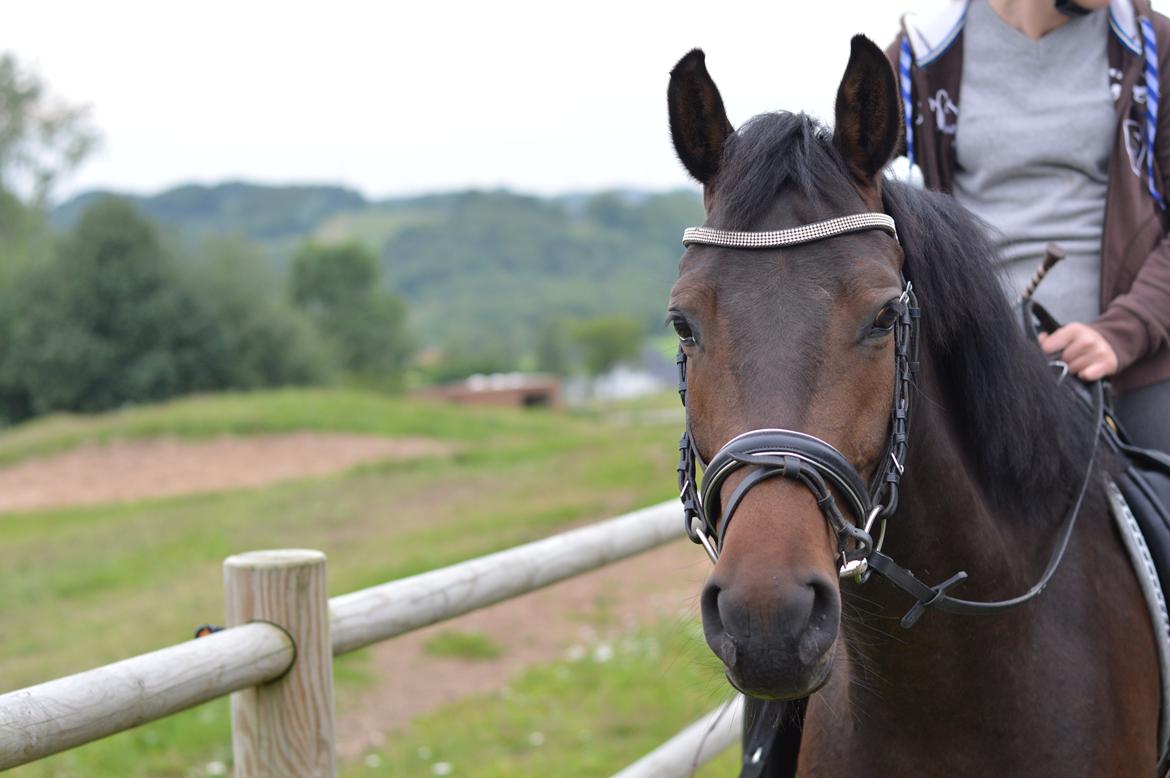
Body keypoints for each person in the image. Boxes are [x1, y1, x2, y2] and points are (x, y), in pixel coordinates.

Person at [888, 0, 1170, 452]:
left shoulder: (1156, 47)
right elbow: (854, 206)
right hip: (974, 380)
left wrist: (1119, 334)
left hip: (1134, 372)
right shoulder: (918, 58)